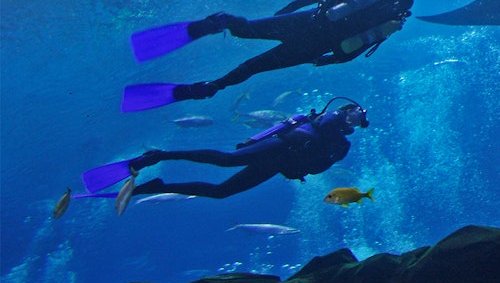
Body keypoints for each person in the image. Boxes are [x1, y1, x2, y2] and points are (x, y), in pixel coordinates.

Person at [122, 0, 414, 111]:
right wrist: (324, 59)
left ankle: (220, 22)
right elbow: (353, 52)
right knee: (253, 66)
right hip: (312, 48)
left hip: (306, 22)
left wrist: (292, 6)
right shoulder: (385, 25)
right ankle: (212, 87)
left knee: (245, 29)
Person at [80, 99, 369, 199]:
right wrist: (254, 141)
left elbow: (322, 167)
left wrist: (300, 170)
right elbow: (281, 127)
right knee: (226, 160)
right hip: (275, 148)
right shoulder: (326, 119)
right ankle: (157, 155)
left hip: (277, 165)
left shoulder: (343, 144)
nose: (356, 120)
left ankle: (157, 186)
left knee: (221, 192)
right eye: (355, 114)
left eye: (359, 119)